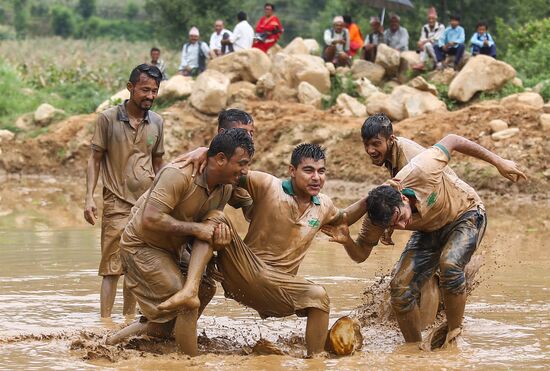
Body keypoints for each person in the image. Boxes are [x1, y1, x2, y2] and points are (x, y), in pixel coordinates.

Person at [159, 143, 368, 356]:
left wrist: (369, 199)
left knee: (319, 298)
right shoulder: (268, 184)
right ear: (292, 171)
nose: (316, 177)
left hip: (279, 289)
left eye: (321, 171)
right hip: (245, 270)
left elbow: (344, 218)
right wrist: (204, 151)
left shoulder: (324, 205)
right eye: (308, 170)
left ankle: (315, 359)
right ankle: (190, 293)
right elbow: (229, 170)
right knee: (217, 219)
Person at [323, 133, 526, 345]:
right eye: (393, 226)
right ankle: (413, 348)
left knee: (450, 264)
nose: (401, 227)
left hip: (466, 213)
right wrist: (346, 240)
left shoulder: (422, 168)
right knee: (399, 287)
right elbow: (361, 254)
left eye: (400, 218)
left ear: (402, 198)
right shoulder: (377, 216)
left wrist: (499, 162)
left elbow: (453, 140)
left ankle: (454, 336)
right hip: (429, 230)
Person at [106, 128, 255, 356]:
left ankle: (111, 343)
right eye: (242, 163)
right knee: (186, 301)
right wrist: (198, 229)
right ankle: (190, 362)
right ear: (221, 159)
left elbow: (207, 230)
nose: (245, 171)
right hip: (142, 247)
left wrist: (218, 245)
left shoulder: (225, 188)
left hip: (174, 249)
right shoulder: (179, 175)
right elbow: (150, 219)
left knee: (203, 290)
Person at [84, 64, 165, 318]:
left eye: (154, 91)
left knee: (136, 269)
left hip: (146, 206)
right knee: (111, 269)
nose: (150, 96)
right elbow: (95, 159)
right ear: (130, 88)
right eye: (144, 90)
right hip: (116, 204)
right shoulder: (107, 119)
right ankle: (105, 323)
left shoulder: (157, 123)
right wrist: (89, 198)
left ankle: (128, 321)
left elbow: (159, 162)